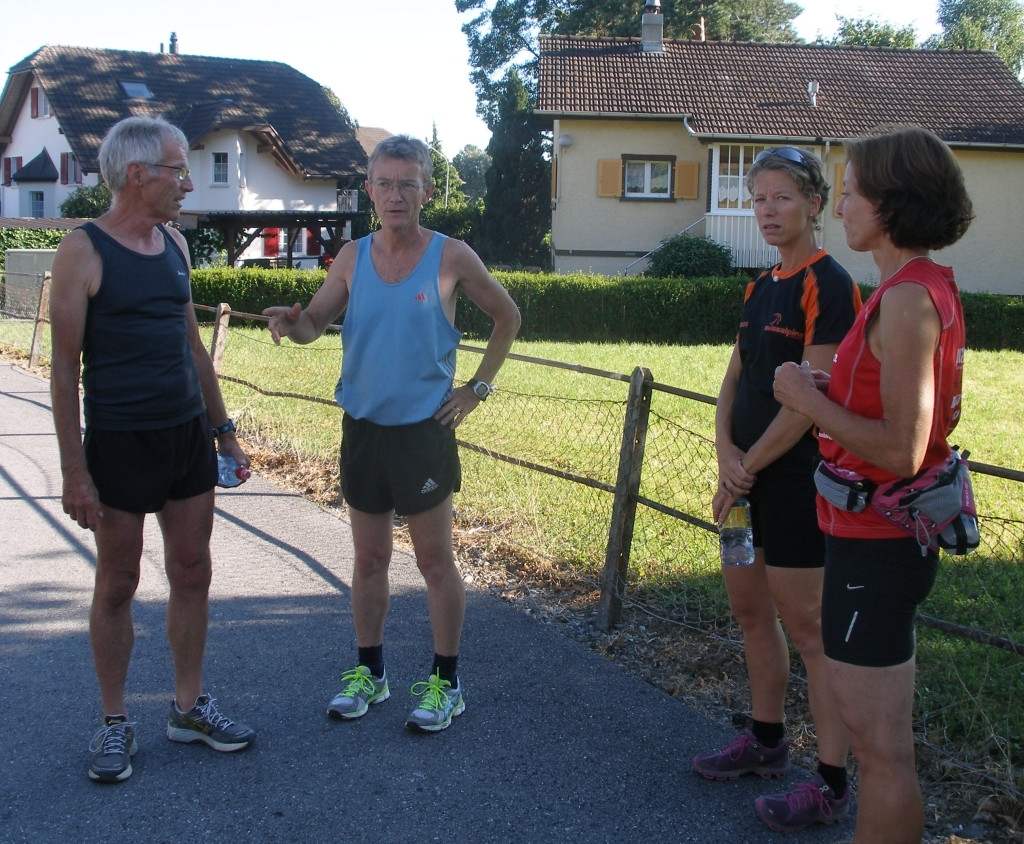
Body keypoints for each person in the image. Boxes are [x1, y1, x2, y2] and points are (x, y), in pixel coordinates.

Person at [263, 135, 521, 732]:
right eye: (385, 183)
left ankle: (445, 683)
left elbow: (507, 317)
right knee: (370, 558)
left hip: (422, 432)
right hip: (363, 429)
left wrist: (477, 389)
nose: (396, 194)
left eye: (408, 183)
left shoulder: (452, 256)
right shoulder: (351, 257)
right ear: (370, 189)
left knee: (434, 562)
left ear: (428, 191)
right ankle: (371, 674)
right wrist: (291, 322)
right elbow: (314, 326)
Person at [773, 127, 973, 843]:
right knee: (881, 745)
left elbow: (904, 447)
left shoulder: (907, 299)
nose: (843, 204)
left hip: (878, 549)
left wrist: (806, 398)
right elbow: (892, 410)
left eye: (851, 190)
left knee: (882, 753)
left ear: (888, 204)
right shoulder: (914, 288)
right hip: (872, 543)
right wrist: (834, 393)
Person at [50, 115, 256, 783]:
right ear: (137, 175)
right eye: (177, 170)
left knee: (193, 571)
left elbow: (193, 347)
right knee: (118, 583)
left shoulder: (175, 243)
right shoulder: (83, 251)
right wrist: (74, 471)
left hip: (186, 435)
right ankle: (115, 722)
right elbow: (62, 369)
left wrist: (222, 430)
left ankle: (188, 707)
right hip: (118, 440)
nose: (187, 183)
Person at [692, 147, 861, 833]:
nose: (766, 210)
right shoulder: (759, 285)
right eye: (757, 198)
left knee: (812, 632)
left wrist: (748, 466)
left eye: (782, 198)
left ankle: (831, 781)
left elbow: (807, 403)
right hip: (746, 480)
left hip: (791, 485)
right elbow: (735, 379)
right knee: (750, 612)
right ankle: (766, 743)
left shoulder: (831, 283)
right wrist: (725, 452)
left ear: (815, 203)